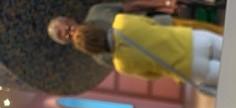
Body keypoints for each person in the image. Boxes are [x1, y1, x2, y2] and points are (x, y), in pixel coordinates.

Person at [69, 14, 221, 90]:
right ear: (95, 28)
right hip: (192, 40)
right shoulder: (121, 20)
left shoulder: (121, 66)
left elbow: (153, 75)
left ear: (94, 51)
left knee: (229, 77)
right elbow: (153, 23)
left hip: (190, 68)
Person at [47, 2, 222, 67]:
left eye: (65, 27)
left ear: (69, 19)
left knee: (207, 33)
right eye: (63, 35)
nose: (68, 32)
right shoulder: (99, 56)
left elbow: (132, 6)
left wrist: (163, 4)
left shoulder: (97, 11)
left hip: (161, 24)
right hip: (164, 53)